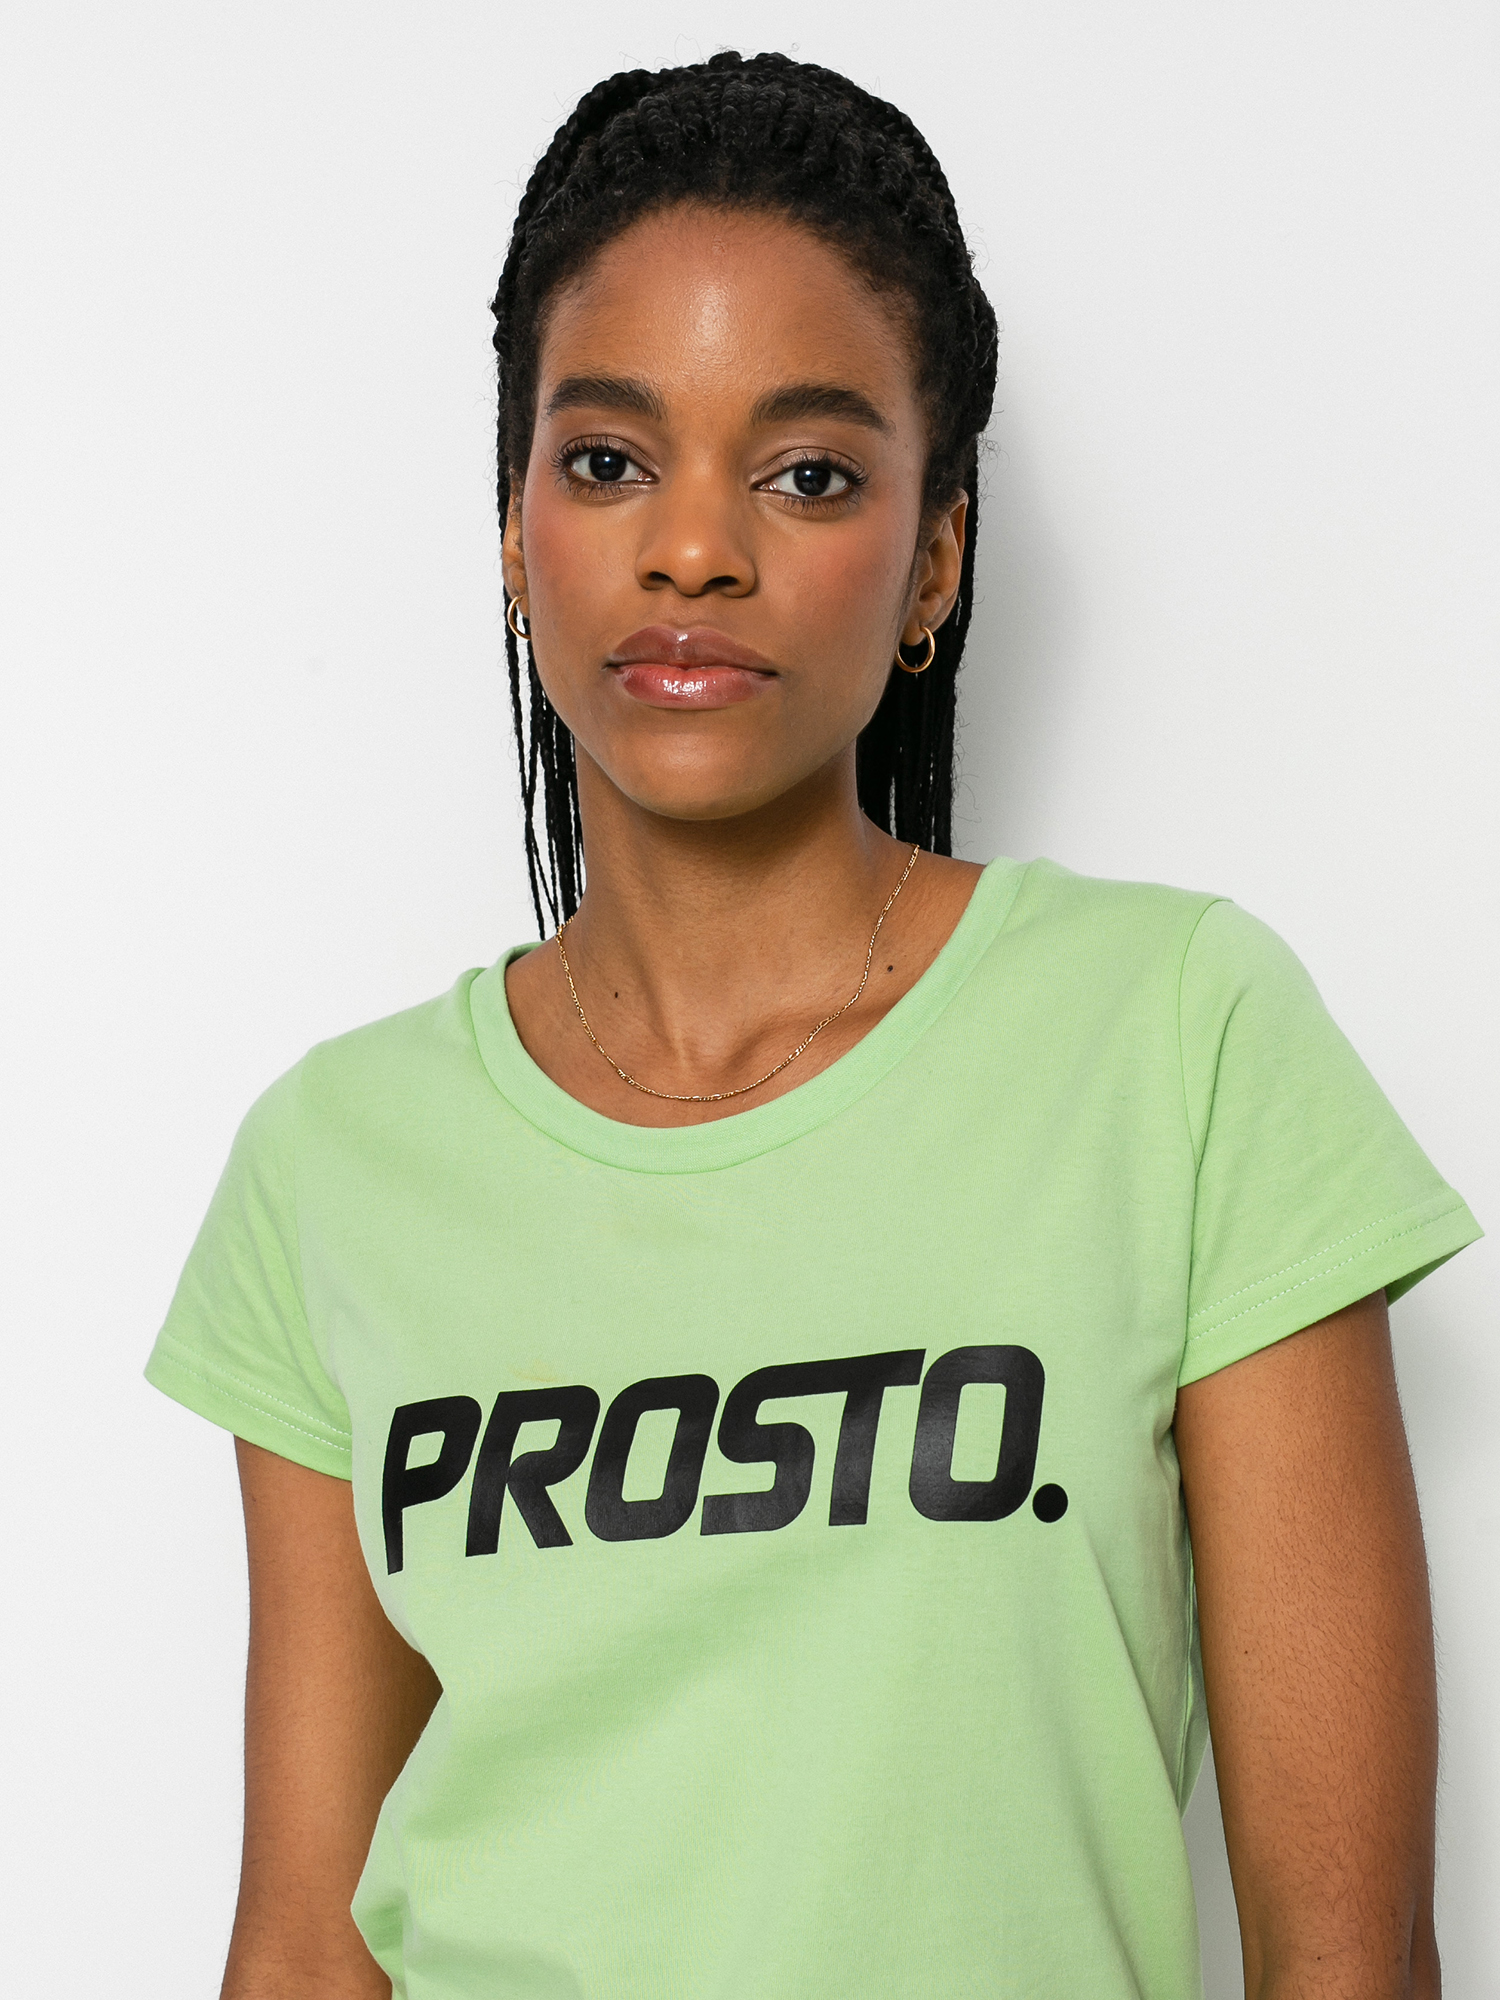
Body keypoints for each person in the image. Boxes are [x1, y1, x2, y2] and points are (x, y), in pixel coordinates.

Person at [147, 50, 1480, 2000]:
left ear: (935, 556)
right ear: (514, 531)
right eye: (607, 461)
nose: (693, 547)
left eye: (809, 474)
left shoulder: (1178, 1039)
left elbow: (1348, 1953)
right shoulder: (334, 1161)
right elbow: (301, 1946)